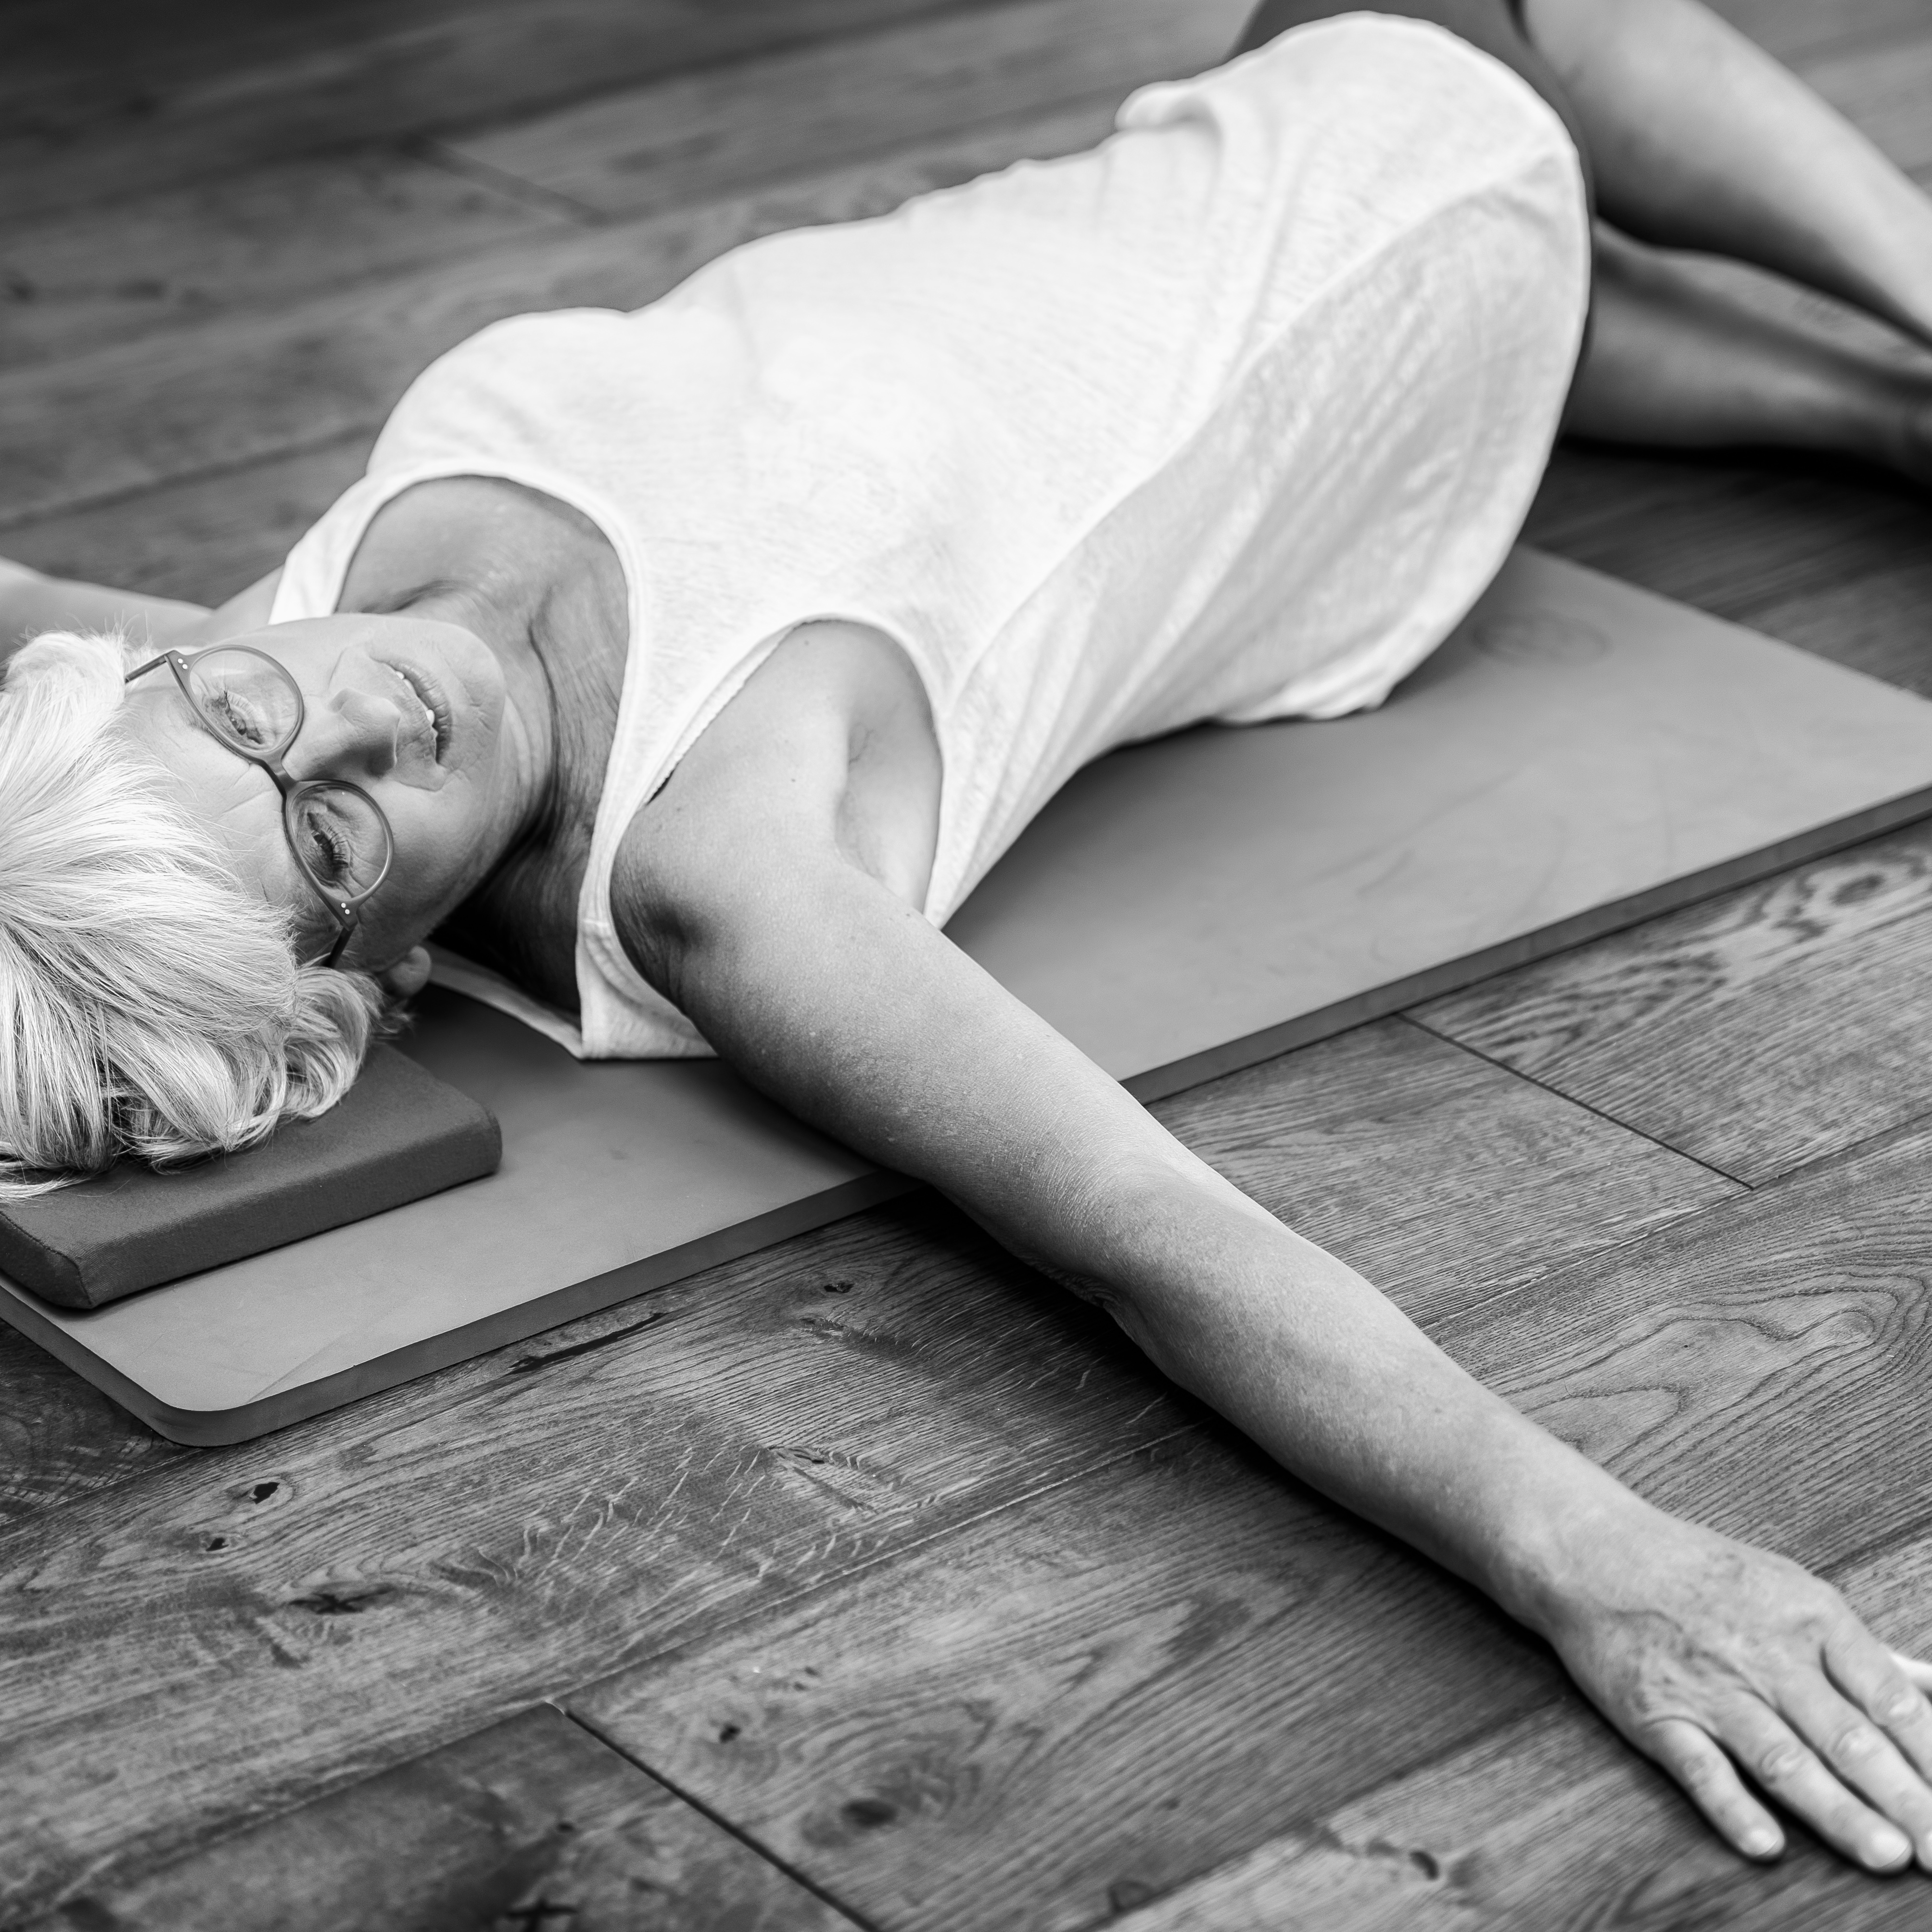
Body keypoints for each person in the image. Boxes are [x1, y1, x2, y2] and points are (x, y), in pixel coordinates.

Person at [6, 0, 1932, 1874]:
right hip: (1362, 268)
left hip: (1214, 188)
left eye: (250, 706)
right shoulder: (717, 865)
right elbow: (1155, 1237)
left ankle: (1857, 400)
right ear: (370, 986)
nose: (359, 716)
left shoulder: (260, 662)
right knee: (1473, 34)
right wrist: (1601, 1557)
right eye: (335, 824)